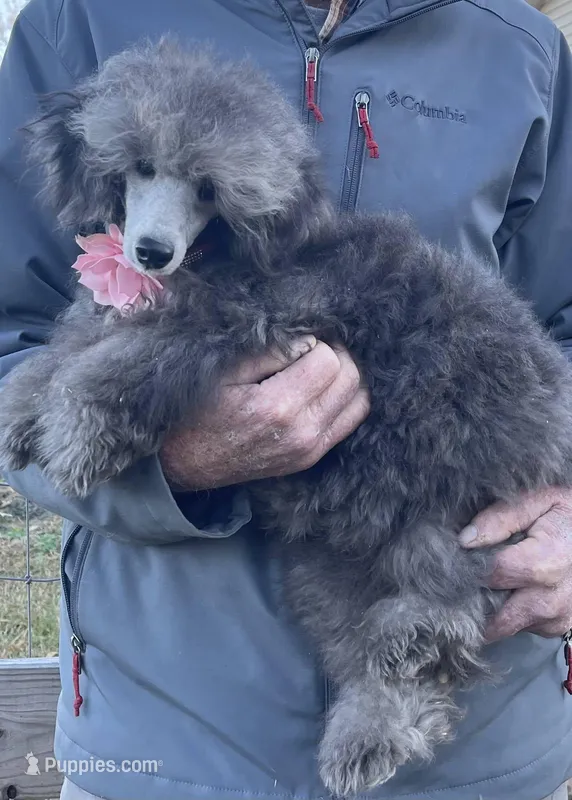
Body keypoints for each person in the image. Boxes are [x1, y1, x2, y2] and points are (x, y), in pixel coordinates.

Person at [1, 0, 572, 798]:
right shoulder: (79, 19)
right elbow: (13, 342)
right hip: (163, 738)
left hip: (479, 751)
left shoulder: (522, 51)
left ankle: (409, 667)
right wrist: (166, 464)